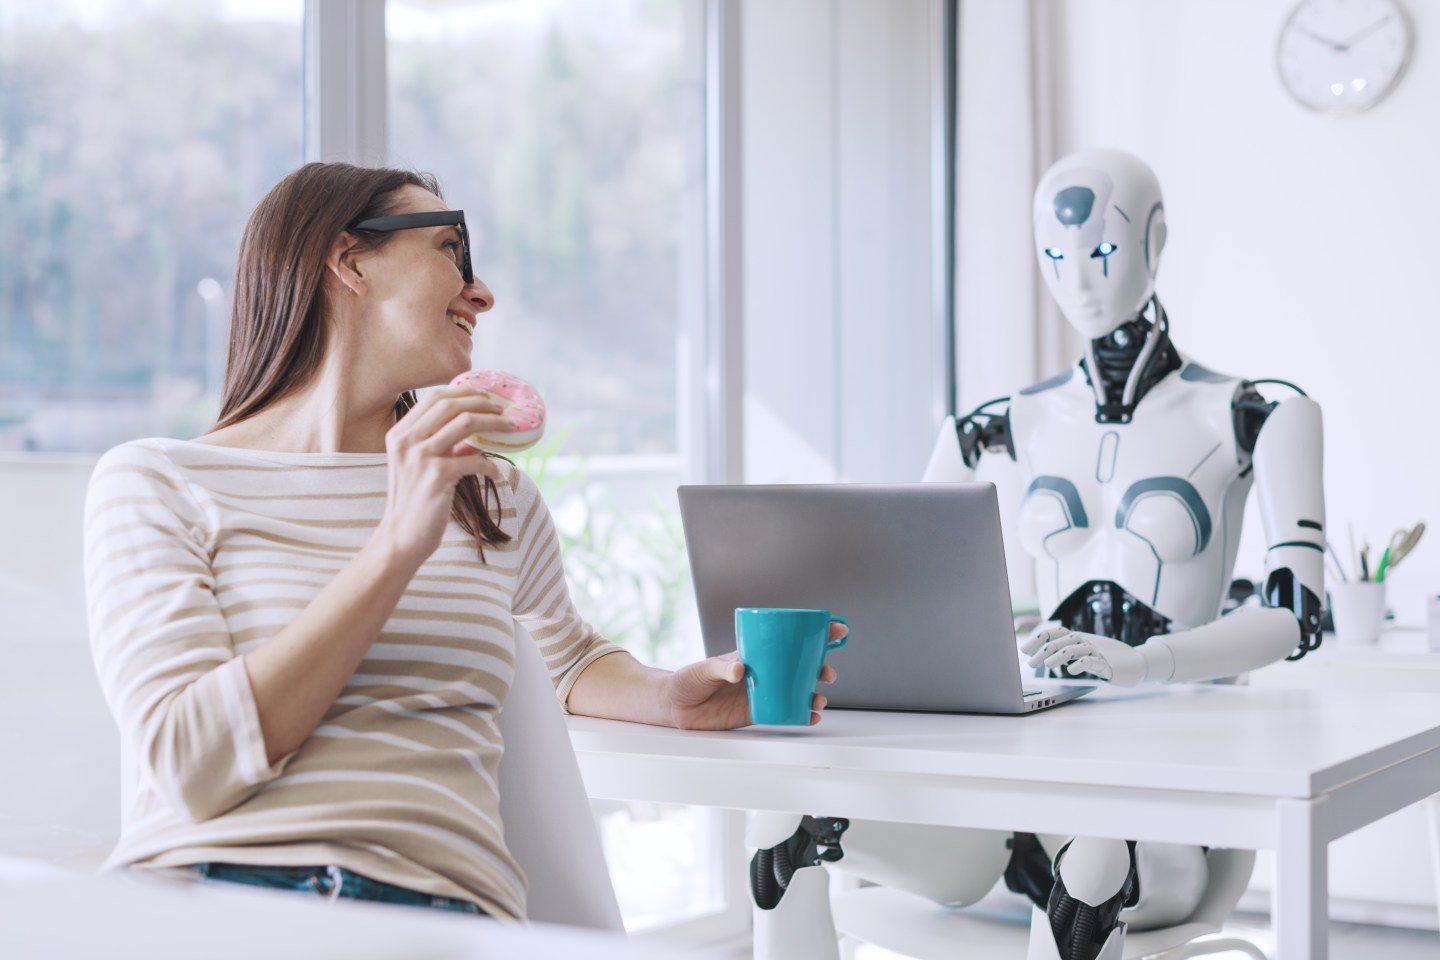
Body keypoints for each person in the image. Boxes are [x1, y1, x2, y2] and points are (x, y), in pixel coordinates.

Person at [83, 162, 842, 922]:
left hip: (445, 916)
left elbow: (568, 656)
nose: (482, 294)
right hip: (223, 898)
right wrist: (397, 543)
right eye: (450, 249)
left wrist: (670, 698)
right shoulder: (159, 482)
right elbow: (190, 763)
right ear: (349, 261)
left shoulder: (487, 494)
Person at [747, 149, 1324, 960]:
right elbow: (901, 598)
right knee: (780, 820)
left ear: (1156, 243)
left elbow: (1296, 616)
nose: (1079, 280)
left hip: (1161, 804)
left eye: (1102, 251)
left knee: (1091, 858)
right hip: (1015, 790)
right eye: (1056, 257)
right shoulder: (993, 425)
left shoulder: (1255, 412)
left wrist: (1141, 663)